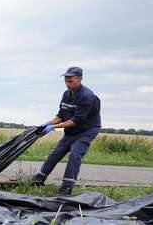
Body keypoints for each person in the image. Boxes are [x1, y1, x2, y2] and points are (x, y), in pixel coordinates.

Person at [32, 66, 101, 195]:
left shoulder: (87, 97)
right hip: (72, 130)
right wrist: (47, 123)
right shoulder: (66, 94)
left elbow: (76, 120)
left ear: (80, 79)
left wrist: (55, 127)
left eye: (71, 81)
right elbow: (61, 116)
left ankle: (66, 187)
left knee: (75, 154)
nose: (67, 84)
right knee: (56, 153)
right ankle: (38, 179)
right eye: (66, 81)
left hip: (87, 131)